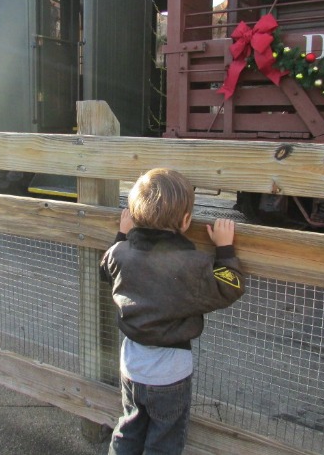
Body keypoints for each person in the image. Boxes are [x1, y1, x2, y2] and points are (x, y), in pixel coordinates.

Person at [100, 168, 246, 455]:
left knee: (129, 428)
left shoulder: (119, 253)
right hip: (170, 375)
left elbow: (106, 268)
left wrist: (121, 234)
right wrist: (225, 249)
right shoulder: (191, 264)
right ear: (186, 220)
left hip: (131, 365)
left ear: (134, 214)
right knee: (164, 441)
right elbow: (232, 285)